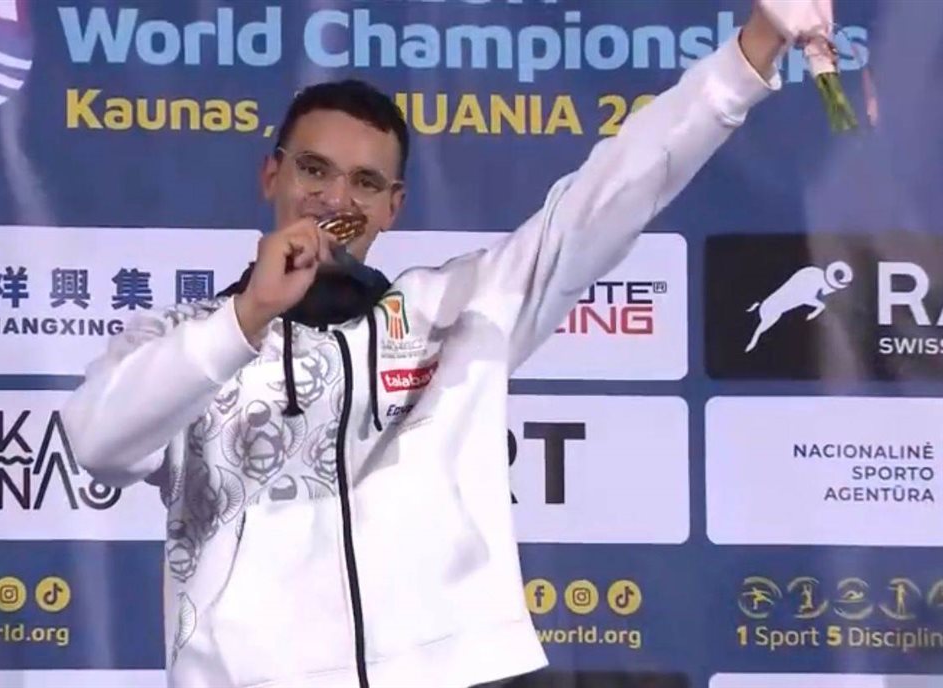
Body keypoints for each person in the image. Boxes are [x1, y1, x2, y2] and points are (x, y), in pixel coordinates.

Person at [62, 5, 789, 687]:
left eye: (365, 182)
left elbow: (610, 193)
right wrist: (248, 316)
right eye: (314, 170)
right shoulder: (182, 338)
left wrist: (752, 49)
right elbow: (97, 443)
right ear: (271, 175)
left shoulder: (457, 311)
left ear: (393, 206)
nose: (335, 199)